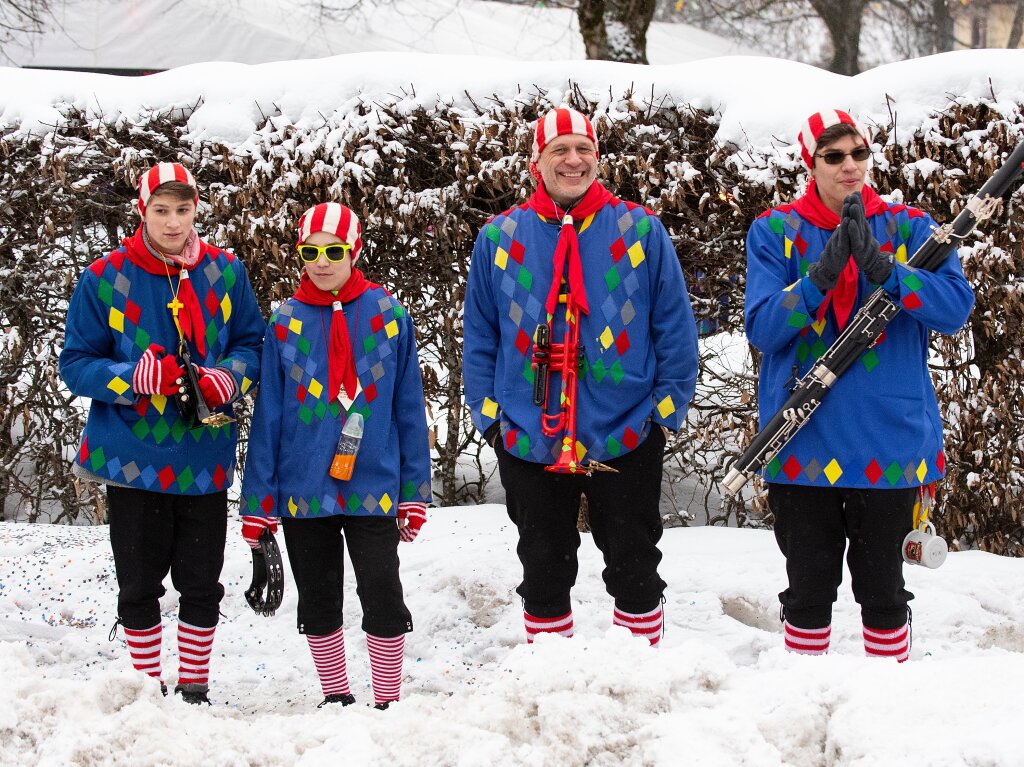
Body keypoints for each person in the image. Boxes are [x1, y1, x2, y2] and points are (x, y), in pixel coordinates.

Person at [463, 107, 699, 647]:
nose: (573, 160)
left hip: (627, 428)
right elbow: (480, 338)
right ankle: (552, 684)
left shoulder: (640, 229)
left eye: (583, 149)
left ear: (597, 157)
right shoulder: (499, 238)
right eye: (559, 151)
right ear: (536, 163)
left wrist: (664, 413)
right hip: (528, 432)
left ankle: (638, 678)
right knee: (543, 568)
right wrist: (490, 419)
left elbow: (675, 329)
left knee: (635, 564)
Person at [744, 109, 975, 660]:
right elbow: (765, 327)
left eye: (859, 153)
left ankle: (889, 709)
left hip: (890, 440)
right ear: (811, 163)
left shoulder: (912, 227)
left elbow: (954, 309)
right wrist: (820, 278)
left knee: (885, 592)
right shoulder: (774, 230)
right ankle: (804, 699)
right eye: (834, 156)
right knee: (807, 591)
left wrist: (891, 272)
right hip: (800, 436)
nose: (850, 166)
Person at [59, 162, 265, 703]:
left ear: (197, 209)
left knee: (201, 582)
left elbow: (252, 345)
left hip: (205, 455)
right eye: (161, 211)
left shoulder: (225, 272)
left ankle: (194, 688)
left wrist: (230, 376)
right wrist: (127, 379)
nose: (173, 223)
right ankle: (147, 688)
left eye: (183, 210)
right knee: (139, 584)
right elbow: (75, 363)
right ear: (142, 210)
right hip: (133, 457)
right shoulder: (104, 277)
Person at [239, 202, 432, 709]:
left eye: (333, 251)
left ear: (355, 250)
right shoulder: (283, 323)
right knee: (319, 597)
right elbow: (269, 418)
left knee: (383, 593)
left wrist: (414, 492)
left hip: (374, 483)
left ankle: (387, 701)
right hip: (303, 487)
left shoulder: (390, 317)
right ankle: (336, 698)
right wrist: (258, 500)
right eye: (310, 251)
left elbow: (409, 411)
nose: (321, 262)